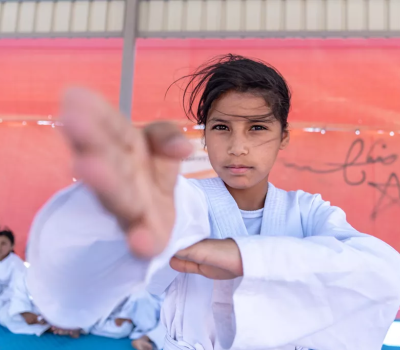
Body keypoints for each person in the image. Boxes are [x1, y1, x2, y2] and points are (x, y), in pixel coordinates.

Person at [26, 54, 400, 350]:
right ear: (204, 137)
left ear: (284, 136)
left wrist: (240, 256)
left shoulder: (308, 212)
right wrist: (115, 212)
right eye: (221, 128)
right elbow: (81, 267)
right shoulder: (186, 202)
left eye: (258, 128)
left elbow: (384, 272)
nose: (238, 147)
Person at [91, 285, 165, 350]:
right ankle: (84, 325)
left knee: (170, 326)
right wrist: (123, 315)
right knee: (122, 329)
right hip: (126, 309)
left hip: (152, 312)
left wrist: (125, 314)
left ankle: (144, 338)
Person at [0, 228, 25, 309]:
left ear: (12, 246)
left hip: (10, 303)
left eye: (3, 243)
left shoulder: (16, 264)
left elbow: (16, 289)